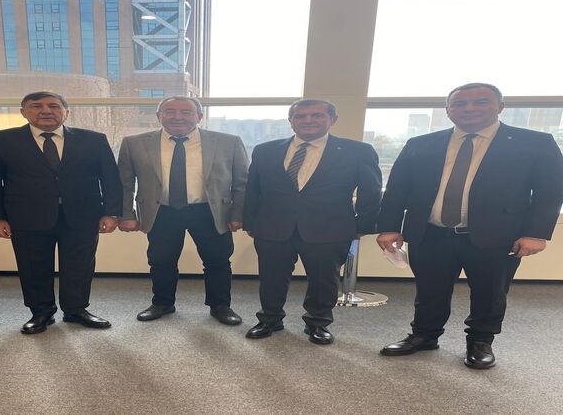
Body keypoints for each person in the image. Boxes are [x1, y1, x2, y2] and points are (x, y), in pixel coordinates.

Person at [377, 83, 563, 369]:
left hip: (498, 236)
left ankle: (480, 341)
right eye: (460, 103)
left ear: (500, 106)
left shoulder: (534, 143)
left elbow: (550, 191)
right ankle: (424, 335)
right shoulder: (421, 144)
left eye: (480, 102)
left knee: (490, 292)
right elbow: (398, 189)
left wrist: (536, 233)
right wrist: (389, 227)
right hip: (431, 233)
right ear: (448, 110)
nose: (469, 108)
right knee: (429, 290)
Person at [0, 91, 122, 335]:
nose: (46, 111)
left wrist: (112, 212)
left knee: (80, 265)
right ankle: (41, 312)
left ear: (66, 112)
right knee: (33, 267)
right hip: (26, 217)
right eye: (36, 106)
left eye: (54, 106)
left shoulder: (93, 140)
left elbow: (110, 178)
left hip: (82, 215)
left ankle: (76, 309)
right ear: (23, 112)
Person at [243, 100, 381, 344]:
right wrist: (250, 222)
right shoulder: (265, 150)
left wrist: (362, 226)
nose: (308, 120)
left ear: (332, 119)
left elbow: (371, 191)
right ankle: (270, 318)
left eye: (316, 115)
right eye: (300, 116)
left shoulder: (357, 151)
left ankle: (318, 322)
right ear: (291, 121)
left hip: (330, 227)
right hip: (273, 226)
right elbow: (253, 189)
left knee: (323, 279)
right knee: (271, 276)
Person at [117, 96, 249, 325]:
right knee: (160, 260)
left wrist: (238, 215)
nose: (177, 117)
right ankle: (162, 303)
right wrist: (127, 215)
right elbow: (125, 183)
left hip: (210, 211)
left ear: (199, 116)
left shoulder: (228, 142)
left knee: (217, 260)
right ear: (159, 116)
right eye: (169, 111)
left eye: (186, 112)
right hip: (162, 211)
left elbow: (242, 182)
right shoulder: (134, 143)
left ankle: (220, 306)